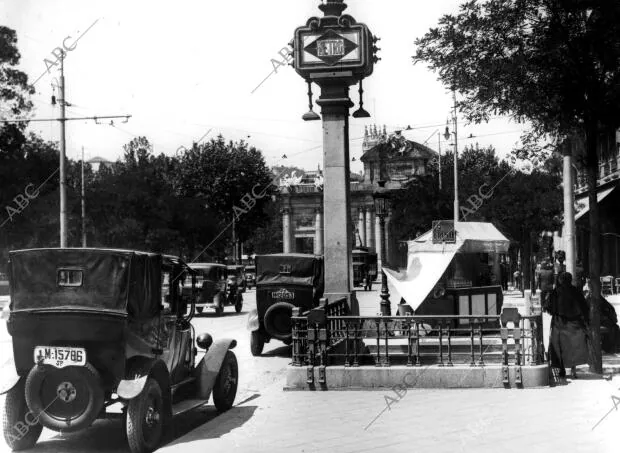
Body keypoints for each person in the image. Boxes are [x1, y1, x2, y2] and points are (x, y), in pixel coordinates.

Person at [547, 271, 590, 379]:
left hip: (559, 322)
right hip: (575, 324)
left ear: (560, 280)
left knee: (559, 346)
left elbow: (548, 307)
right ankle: (573, 369)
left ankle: (561, 369)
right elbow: (584, 306)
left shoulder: (556, 292)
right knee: (574, 346)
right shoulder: (576, 291)